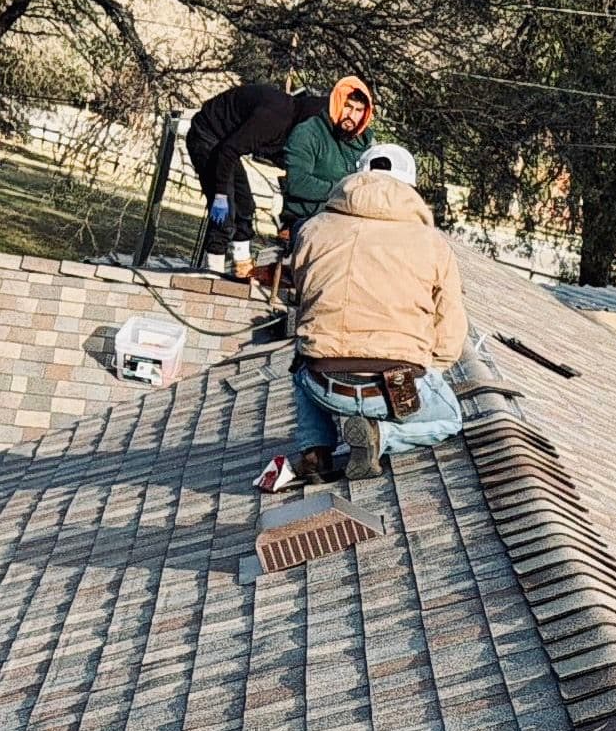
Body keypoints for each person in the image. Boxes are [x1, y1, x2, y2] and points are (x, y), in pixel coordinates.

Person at [265, 143, 464, 484]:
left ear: (355, 176)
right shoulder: (432, 243)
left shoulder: (313, 230)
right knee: (451, 420)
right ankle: (380, 436)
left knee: (303, 358)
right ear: (409, 187)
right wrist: (432, 370)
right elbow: (450, 330)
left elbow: (304, 299)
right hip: (396, 386)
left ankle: (316, 451)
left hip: (325, 385)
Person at [182, 78, 324, 263]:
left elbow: (274, 153)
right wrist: (220, 195)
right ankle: (211, 276)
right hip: (207, 136)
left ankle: (241, 267)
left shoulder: (292, 124)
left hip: (227, 143)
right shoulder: (274, 118)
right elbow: (228, 151)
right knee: (225, 215)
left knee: (245, 207)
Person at [280, 75, 376, 229]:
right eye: (348, 106)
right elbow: (297, 182)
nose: (351, 116)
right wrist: (346, 190)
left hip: (349, 223)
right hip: (307, 221)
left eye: (358, 110)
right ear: (337, 103)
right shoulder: (308, 133)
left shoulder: (367, 145)